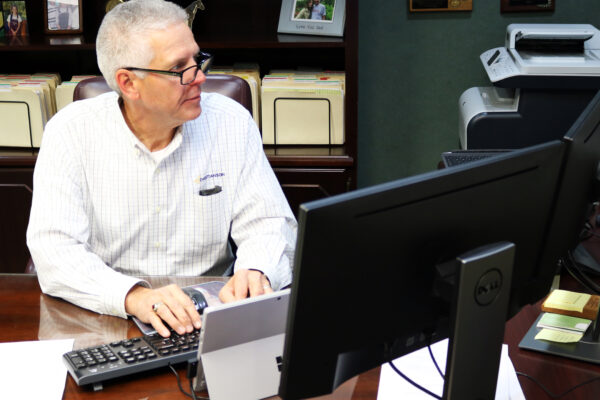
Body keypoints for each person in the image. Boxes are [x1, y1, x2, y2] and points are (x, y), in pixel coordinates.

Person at [27, 0, 297, 339]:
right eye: (179, 68)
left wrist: (256, 269)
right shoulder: (69, 133)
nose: (199, 77)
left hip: (212, 313)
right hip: (109, 316)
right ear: (128, 84)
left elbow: (268, 223)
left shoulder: (231, 123)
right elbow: (54, 251)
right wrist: (134, 296)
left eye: (198, 60)